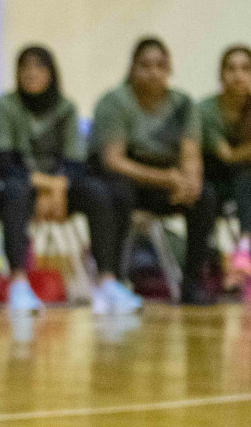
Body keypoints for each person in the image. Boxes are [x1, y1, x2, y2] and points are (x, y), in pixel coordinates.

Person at [0, 45, 118, 314]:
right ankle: (19, 283)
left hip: (56, 189)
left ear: (51, 73)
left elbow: (75, 164)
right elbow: (3, 164)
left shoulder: (65, 108)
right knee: (16, 190)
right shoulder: (2, 107)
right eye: (25, 67)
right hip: (12, 186)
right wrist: (50, 186)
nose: (31, 73)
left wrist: (58, 188)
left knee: (98, 192)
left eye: (39, 67)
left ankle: (107, 282)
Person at [90, 37, 218, 306]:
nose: (153, 72)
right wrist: (166, 178)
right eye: (145, 65)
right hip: (128, 180)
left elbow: (191, 154)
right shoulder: (115, 102)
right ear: (132, 68)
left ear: (169, 70)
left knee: (205, 196)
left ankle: (192, 281)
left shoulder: (183, 104)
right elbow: (113, 160)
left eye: (161, 65)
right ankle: (114, 279)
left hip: (166, 182)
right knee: (117, 193)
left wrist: (191, 181)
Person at [200, 45, 251, 232]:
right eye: (231, 68)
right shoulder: (206, 111)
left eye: (246, 68)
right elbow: (227, 156)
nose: (239, 76)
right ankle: (246, 243)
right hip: (212, 181)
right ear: (221, 74)